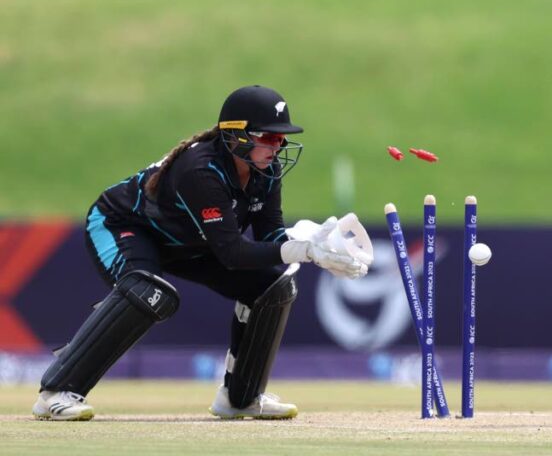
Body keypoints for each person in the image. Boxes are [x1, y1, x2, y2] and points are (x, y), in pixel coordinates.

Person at [32, 85, 374, 421]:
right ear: (237, 136)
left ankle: (241, 399)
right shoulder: (201, 170)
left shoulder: (266, 171)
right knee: (146, 291)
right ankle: (56, 392)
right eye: (269, 137)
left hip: (193, 242)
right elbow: (233, 253)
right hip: (124, 224)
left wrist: (311, 239)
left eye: (281, 138)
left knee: (276, 285)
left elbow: (269, 237)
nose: (279, 145)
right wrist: (303, 251)